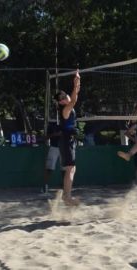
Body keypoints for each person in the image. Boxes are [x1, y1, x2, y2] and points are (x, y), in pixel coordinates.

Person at [53, 70, 80, 206]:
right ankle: (67, 196)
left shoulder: (65, 108)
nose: (68, 96)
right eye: (65, 96)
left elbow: (75, 96)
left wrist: (77, 82)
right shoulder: (65, 109)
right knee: (70, 168)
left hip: (68, 141)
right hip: (66, 142)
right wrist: (75, 84)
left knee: (72, 168)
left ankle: (67, 195)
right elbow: (74, 99)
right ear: (62, 101)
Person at [42, 121, 64, 194]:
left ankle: (65, 186)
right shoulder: (51, 125)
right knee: (49, 168)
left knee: (64, 169)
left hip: (64, 148)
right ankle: (45, 186)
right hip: (54, 147)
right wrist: (54, 134)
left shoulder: (65, 123)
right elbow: (46, 137)